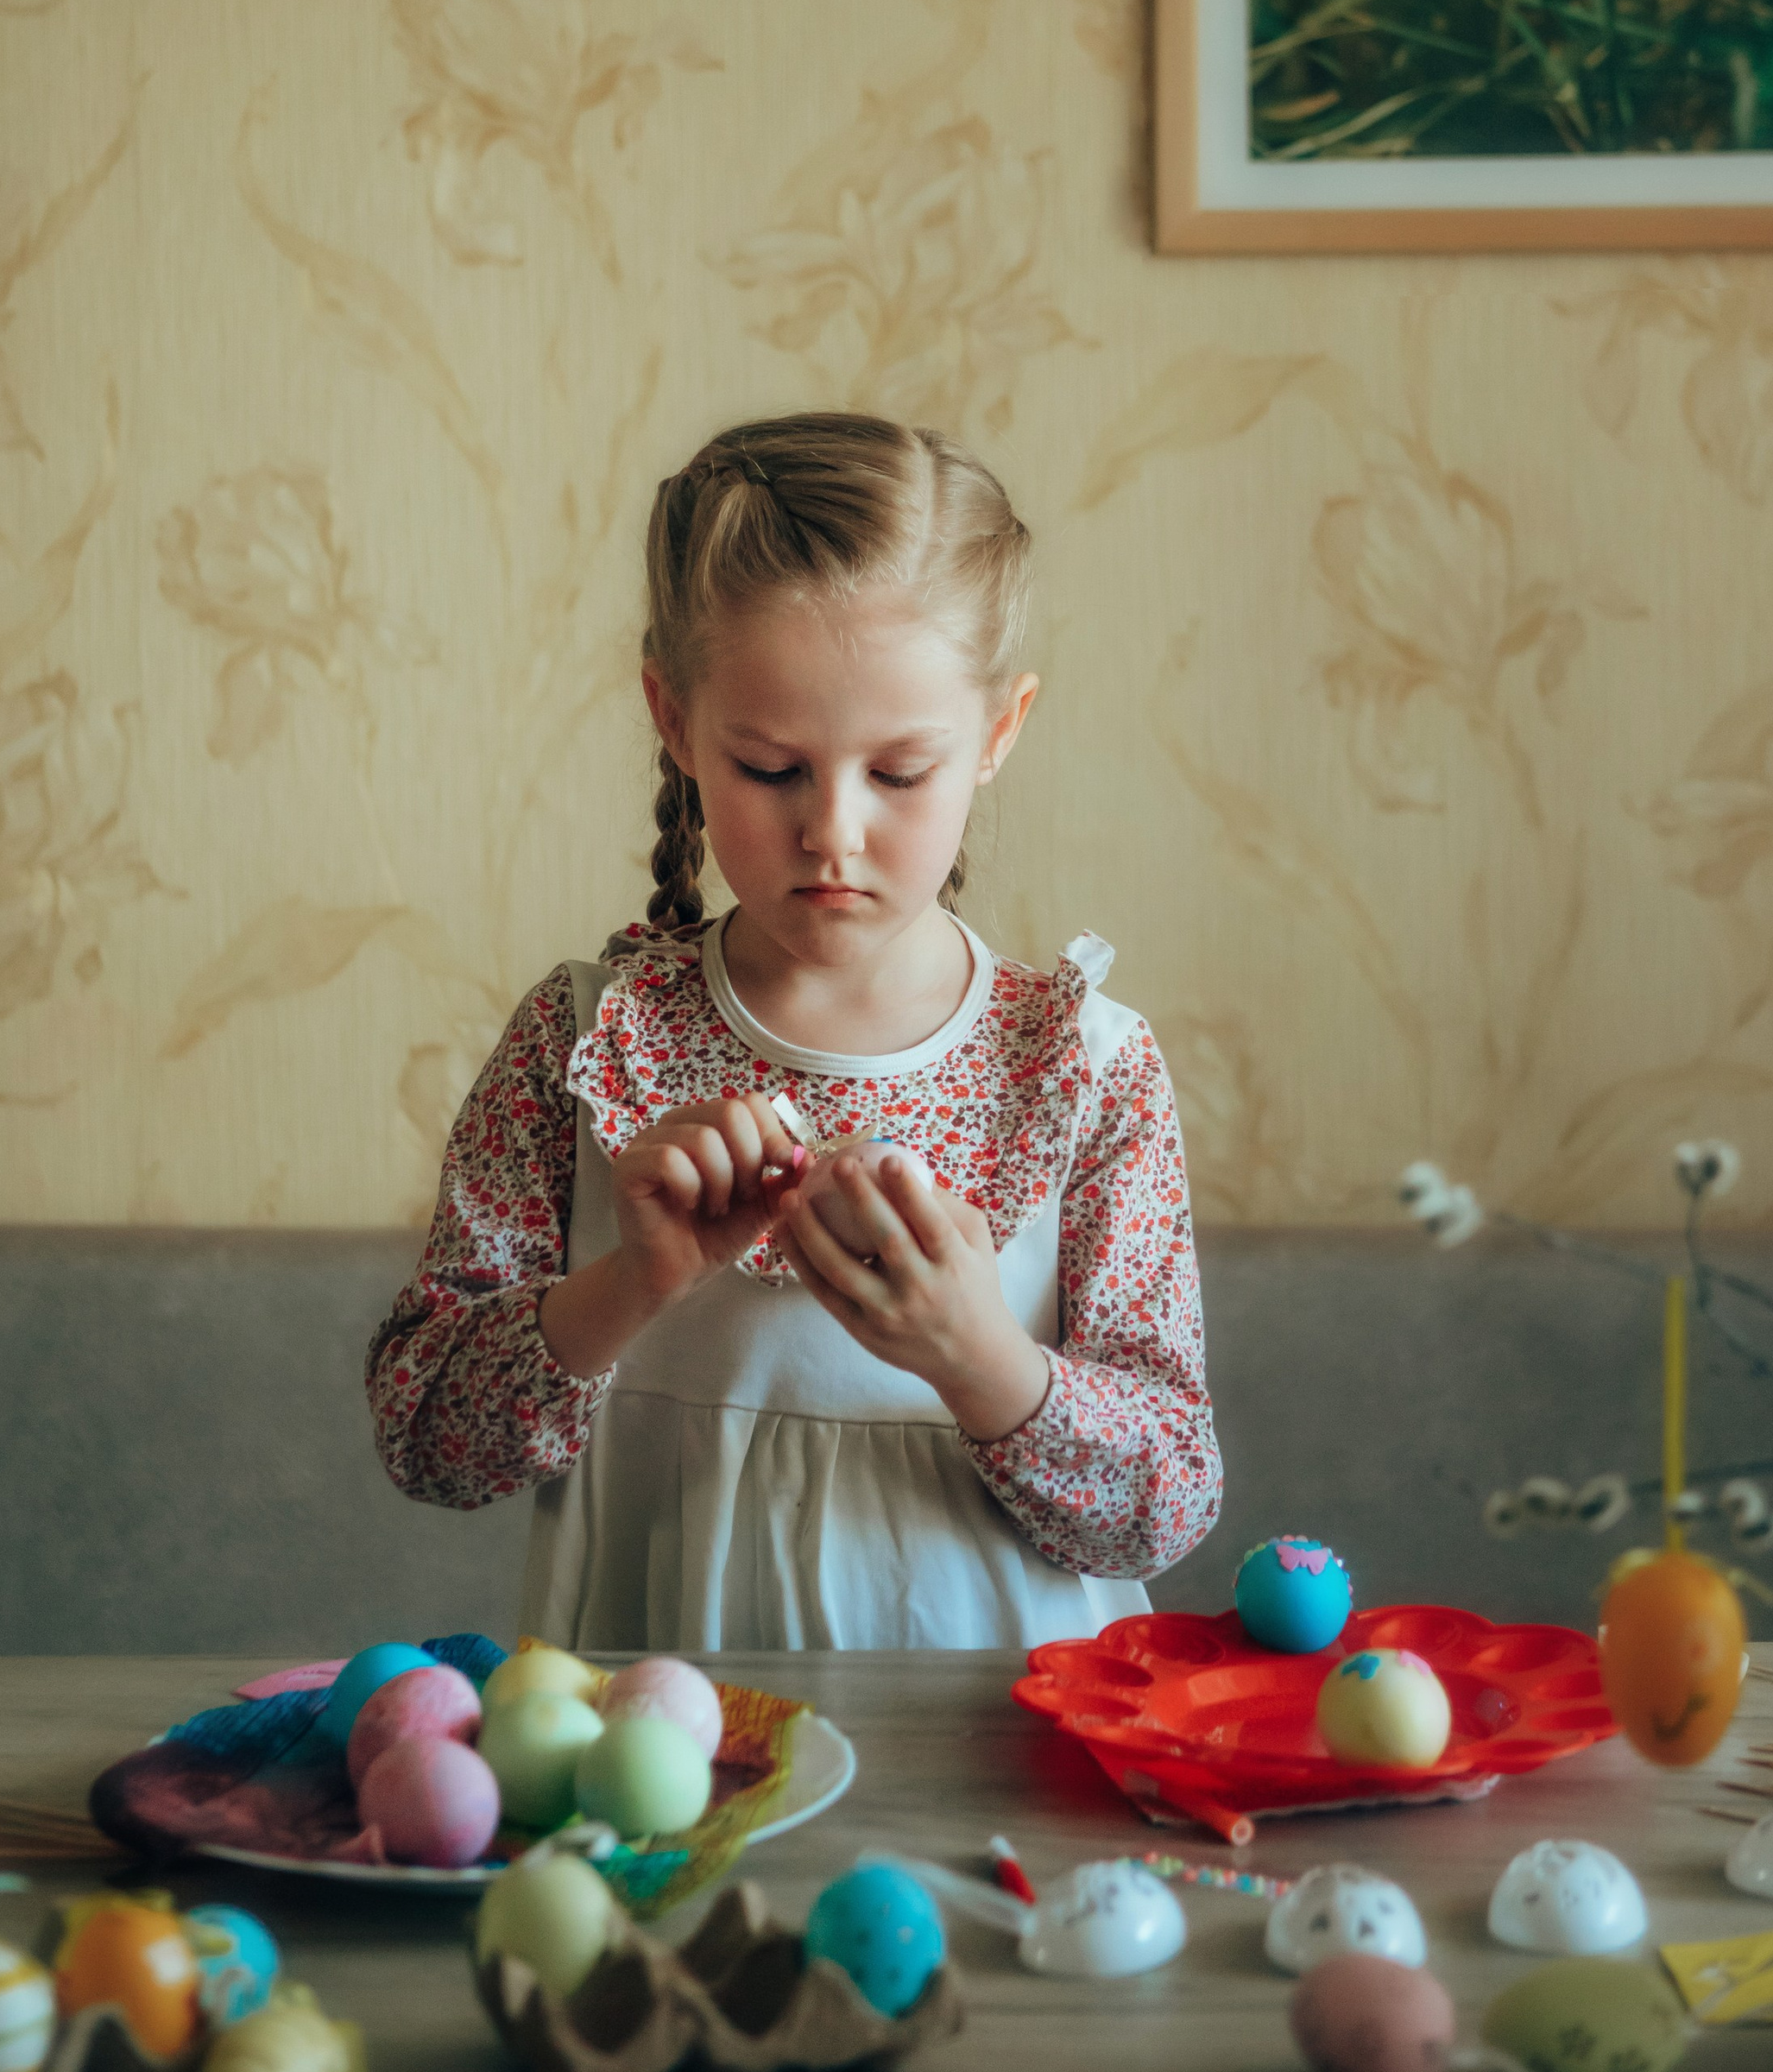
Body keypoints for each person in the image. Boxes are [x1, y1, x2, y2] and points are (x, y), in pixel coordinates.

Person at [366, 410, 1219, 1650]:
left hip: (1003, 1761)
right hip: (666, 1763)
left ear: (997, 734)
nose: (834, 832)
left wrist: (980, 1357)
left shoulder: (1082, 1071)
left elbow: (1166, 1506)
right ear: (675, 721)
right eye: (772, 769)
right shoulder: (586, 1041)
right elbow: (426, 1440)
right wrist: (630, 1285)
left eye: (899, 772)